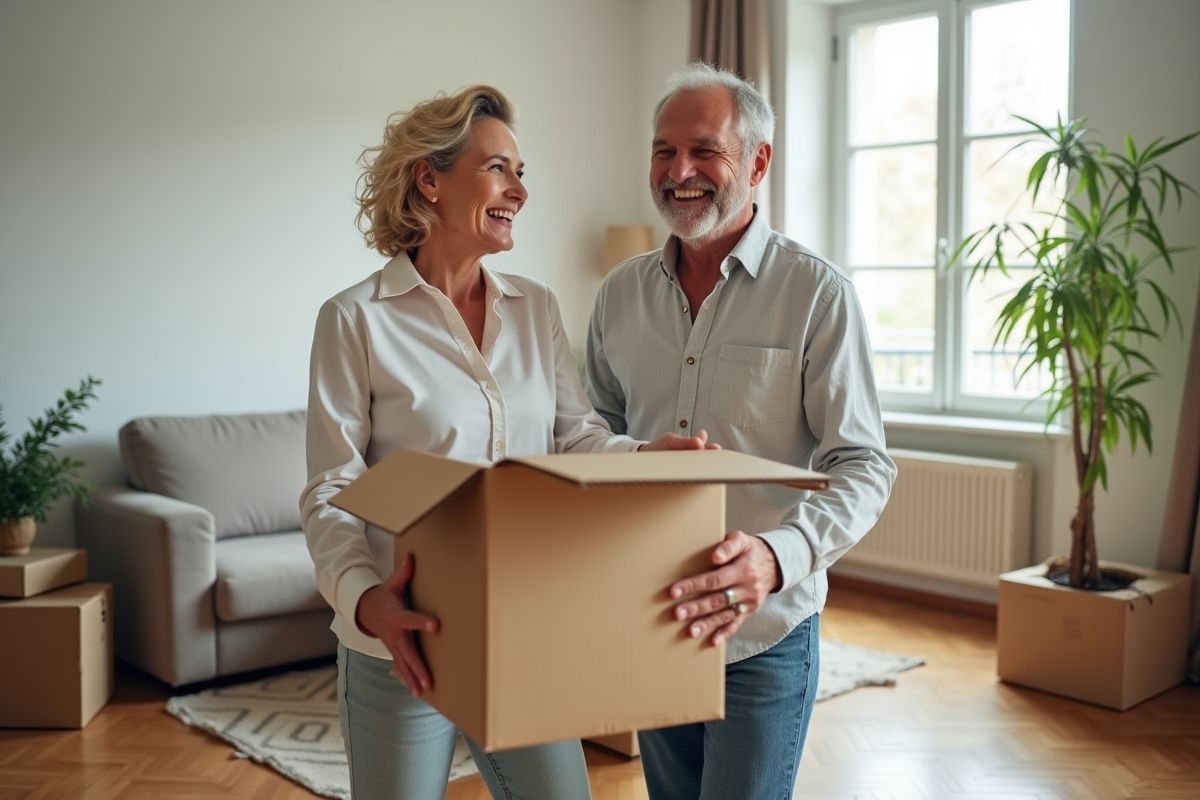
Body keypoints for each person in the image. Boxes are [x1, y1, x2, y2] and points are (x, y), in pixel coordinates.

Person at [299, 84, 712, 800]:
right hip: (403, 640)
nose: (519, 190)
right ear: (430, 179)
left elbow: (574, 439)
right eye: (498, 169)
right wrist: (367, 603)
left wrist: (645, 457)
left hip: (522, 629)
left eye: (522, 173)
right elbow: (332, 488)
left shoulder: (535, 306)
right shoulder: (355, 319)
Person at [582, 63, 897, 800]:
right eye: (663, 151)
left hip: (766, 633)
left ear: (757, 163)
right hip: (651, 617)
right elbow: (590, 434)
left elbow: (864, 464)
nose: (678, 172)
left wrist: (776, 557)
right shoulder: (617, 294)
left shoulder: (818, 294)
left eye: (704, 151)